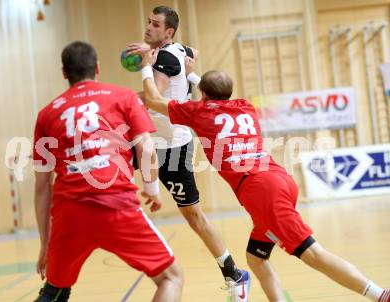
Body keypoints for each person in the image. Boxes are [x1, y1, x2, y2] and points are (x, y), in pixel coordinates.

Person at [137, 49, 390, 302]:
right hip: (280, 179)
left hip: (262, 193)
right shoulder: (245, 107)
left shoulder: (199, 112)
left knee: (313, 254)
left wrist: (147, 66)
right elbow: (218, 93)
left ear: (202, 94)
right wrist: (194, 76)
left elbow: (152, 98)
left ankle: (379, 295)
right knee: (256, 258)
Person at [32, 41, 183, 302]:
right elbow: (146, 148)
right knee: (171, 277)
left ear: (64, 73)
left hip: (69, 215)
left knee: (55, 292)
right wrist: (151, 189)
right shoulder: (123, 96)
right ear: (98, 68)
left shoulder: (46, 115)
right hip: (116, 205)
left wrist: (45, 244)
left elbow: (41, 186)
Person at [126, 6, 250, 297]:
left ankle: (233, 274)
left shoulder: (165, 59)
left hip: (171, 147)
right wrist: (154, 49)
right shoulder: (177, 50)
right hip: (149, 140)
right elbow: (189, 49)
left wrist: (145, 64)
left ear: (168, 31)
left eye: (155, 25)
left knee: (194, 216)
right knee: (111, 176)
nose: (148, 27)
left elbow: (152, 96)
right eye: (148, 22)